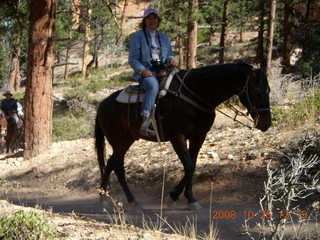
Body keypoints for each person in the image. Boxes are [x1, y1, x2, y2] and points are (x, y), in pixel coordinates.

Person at [128, 7, 177, 137]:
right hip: (145, 71)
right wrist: (143, 70)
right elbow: (133, 59)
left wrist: (171, 60)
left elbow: (170, 54)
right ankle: (146, 118)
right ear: (145, 20)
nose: (152, 20)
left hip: (162, 69)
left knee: (179, 82)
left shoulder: (163, 36)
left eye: (154, 18)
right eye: (149, 18)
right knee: (153, 85)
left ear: (158, 20)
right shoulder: (137, 36)